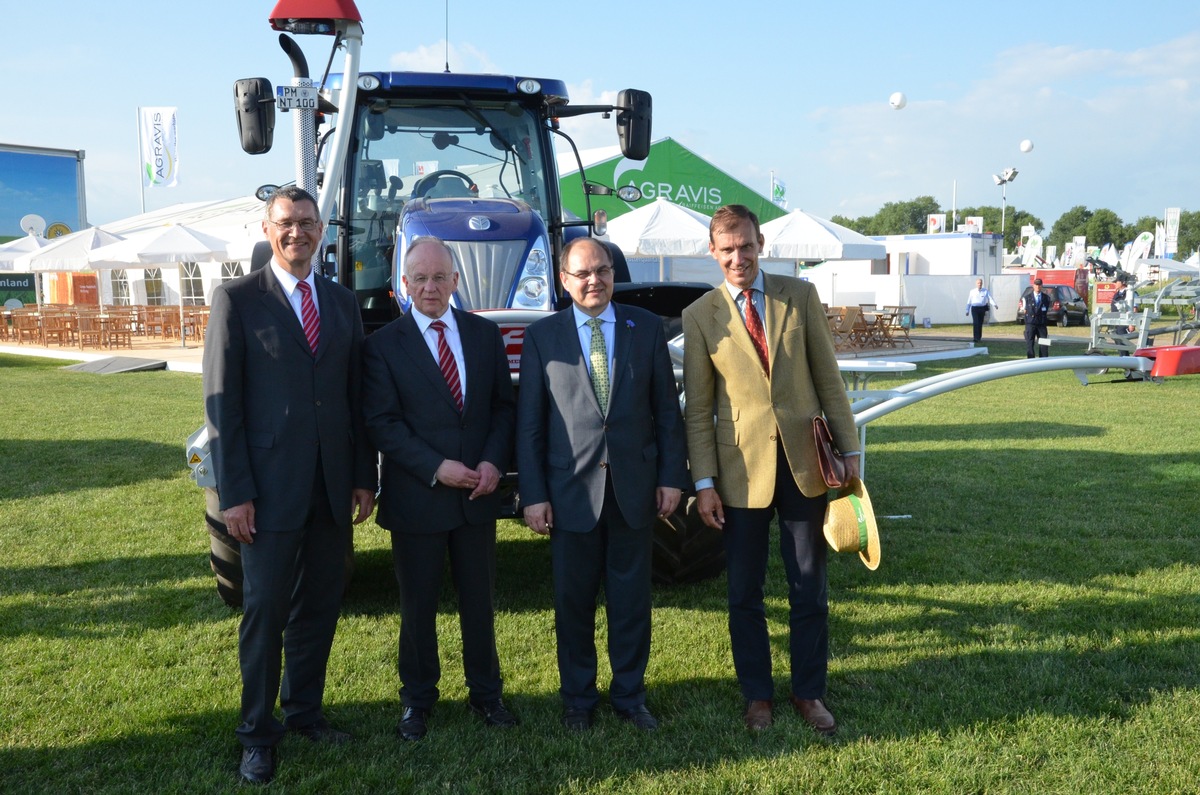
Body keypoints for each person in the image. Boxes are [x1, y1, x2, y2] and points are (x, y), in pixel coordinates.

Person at [203, 185, 377, 785]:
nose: (297, 231)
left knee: (320, 608)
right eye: (286, 223)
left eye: (306, 222)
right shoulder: (236, 300)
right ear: (267, 227)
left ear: (320, 228)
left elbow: (354, 399)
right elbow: (223, 410)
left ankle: (304, 712)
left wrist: (361, 478)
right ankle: (257, 732)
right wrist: (235, 494)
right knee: (265, 612)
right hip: (267, 493)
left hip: (331, 488)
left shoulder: (342, 302)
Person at [682, 204, 859, 735]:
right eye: (727, 249)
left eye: (747, 246)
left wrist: (850, 450)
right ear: (713, 253)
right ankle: (757, 696)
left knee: (809, 586)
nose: (738, 257)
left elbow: (828, 379)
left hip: (805, 463)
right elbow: (698, 408)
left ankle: (809, 692)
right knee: (744, 592)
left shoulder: (798, 297)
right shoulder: (699, 315)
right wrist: (705, 483)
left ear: (762, 244)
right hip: (738, 472)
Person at [516, 236, 689, 733]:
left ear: (614, 273)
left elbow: (666, 413)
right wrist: (534, 495)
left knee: (631, 602)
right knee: (573, 604)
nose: (595, 280)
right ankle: (577, 699)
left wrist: (671, 479)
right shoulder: (542, 337)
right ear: (565, 281)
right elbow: (530, 425)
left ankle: (630, 696)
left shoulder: (646, 327)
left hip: (635, 490)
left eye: (603, 270)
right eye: (583, 273)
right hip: (570, 494)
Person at [361, 237, 518, 741]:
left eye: (439, 277)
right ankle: (417, 701)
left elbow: (502, 407)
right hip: (418, 499)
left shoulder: (482, 335)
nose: (430, 287)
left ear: (455, 281)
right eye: (420, 279)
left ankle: (486, 695)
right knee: (418, 607)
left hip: (477, 496)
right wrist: (435, 467)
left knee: (480, 602)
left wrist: (494, 461)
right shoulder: (382, 346)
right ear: (404, 286)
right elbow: (382, 423)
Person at [1022, 278, 1051, 358]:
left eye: (1039, 285)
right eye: (1036, 285)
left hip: (1041, 324)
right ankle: (1031, 360)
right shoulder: (1026, 298)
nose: (1038, 287)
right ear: (1033, 286)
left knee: (1044, 343)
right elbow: (1023, 310)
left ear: (1041, 286)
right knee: (1030, 343)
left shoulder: (1046, 298)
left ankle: (1044, 360)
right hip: (1030, 324)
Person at [964, 277, 998, 344]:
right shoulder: (972, 291)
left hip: (982, 309)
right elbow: (969, 301)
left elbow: (990, 298)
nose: (979, 284)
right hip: (974, 309)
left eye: (980, 283)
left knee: (980, 323)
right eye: (978, 283)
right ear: (976, 284)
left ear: (982, 284)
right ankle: (975, 338)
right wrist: (967, 310)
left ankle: (979, 337)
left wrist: (994, 305)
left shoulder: (985, 291)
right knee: (975, 323)